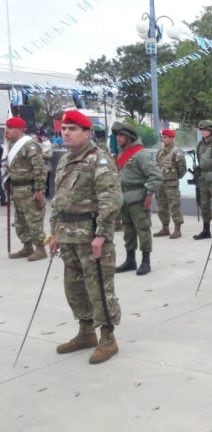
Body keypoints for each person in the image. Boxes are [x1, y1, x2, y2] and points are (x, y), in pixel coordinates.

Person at [49, 110, 123, 364]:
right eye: (64, 128)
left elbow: (110, 199)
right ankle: (85, 331)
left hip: (90, 236)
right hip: (68, 236)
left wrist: (101, 234)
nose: (66, 133)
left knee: (99, 288)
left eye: (73, 129)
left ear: (87, 132)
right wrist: (54, 232)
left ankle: (107, 337)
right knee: (74, 287)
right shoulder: (64, 161)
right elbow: (57, 200)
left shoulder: (98, 160)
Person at [112, 122, 162, 276]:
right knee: (128, 230)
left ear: (130, 137)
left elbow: (156, 177)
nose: (118, 138)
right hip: (123, 199)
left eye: (121, 135)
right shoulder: (121, 154)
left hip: (138, 199)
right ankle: (130, 260)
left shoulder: (141, 154)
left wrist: (148, 195)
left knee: (143, 230)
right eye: (117, 135)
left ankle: (145, 261)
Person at [4, 117, 48, 261]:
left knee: (33, 219)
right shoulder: (11, 145)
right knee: (20, 221)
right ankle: (27, 246)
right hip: (17, 189)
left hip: (29, 189)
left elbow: (40, 168)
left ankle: (40, 249)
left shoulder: (30, 145)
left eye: (10, 128)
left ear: (19, 129)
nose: (7, 131)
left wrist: (39, 190)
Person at [153, 129, 187, 239]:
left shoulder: (177, 153)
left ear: (172, 138)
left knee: (174, 207)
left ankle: (177, 229)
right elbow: (157, 166)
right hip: (160, 184)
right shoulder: (160, 152)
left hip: (171, 185)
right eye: (163, 137)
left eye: (165, 137)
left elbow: (182, 170)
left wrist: (174, 178)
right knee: (161, 207)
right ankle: (165, 228)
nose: (163, 140)